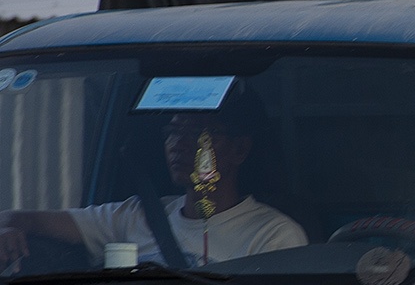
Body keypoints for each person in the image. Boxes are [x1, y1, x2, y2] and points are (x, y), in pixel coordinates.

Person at [0, 106, 306, 271]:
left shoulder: (274, 236)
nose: (179, 145)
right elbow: (20, 218)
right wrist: (7, 231)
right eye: (173, 131)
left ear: (239, 150)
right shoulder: (136, 215)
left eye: (198, 133)